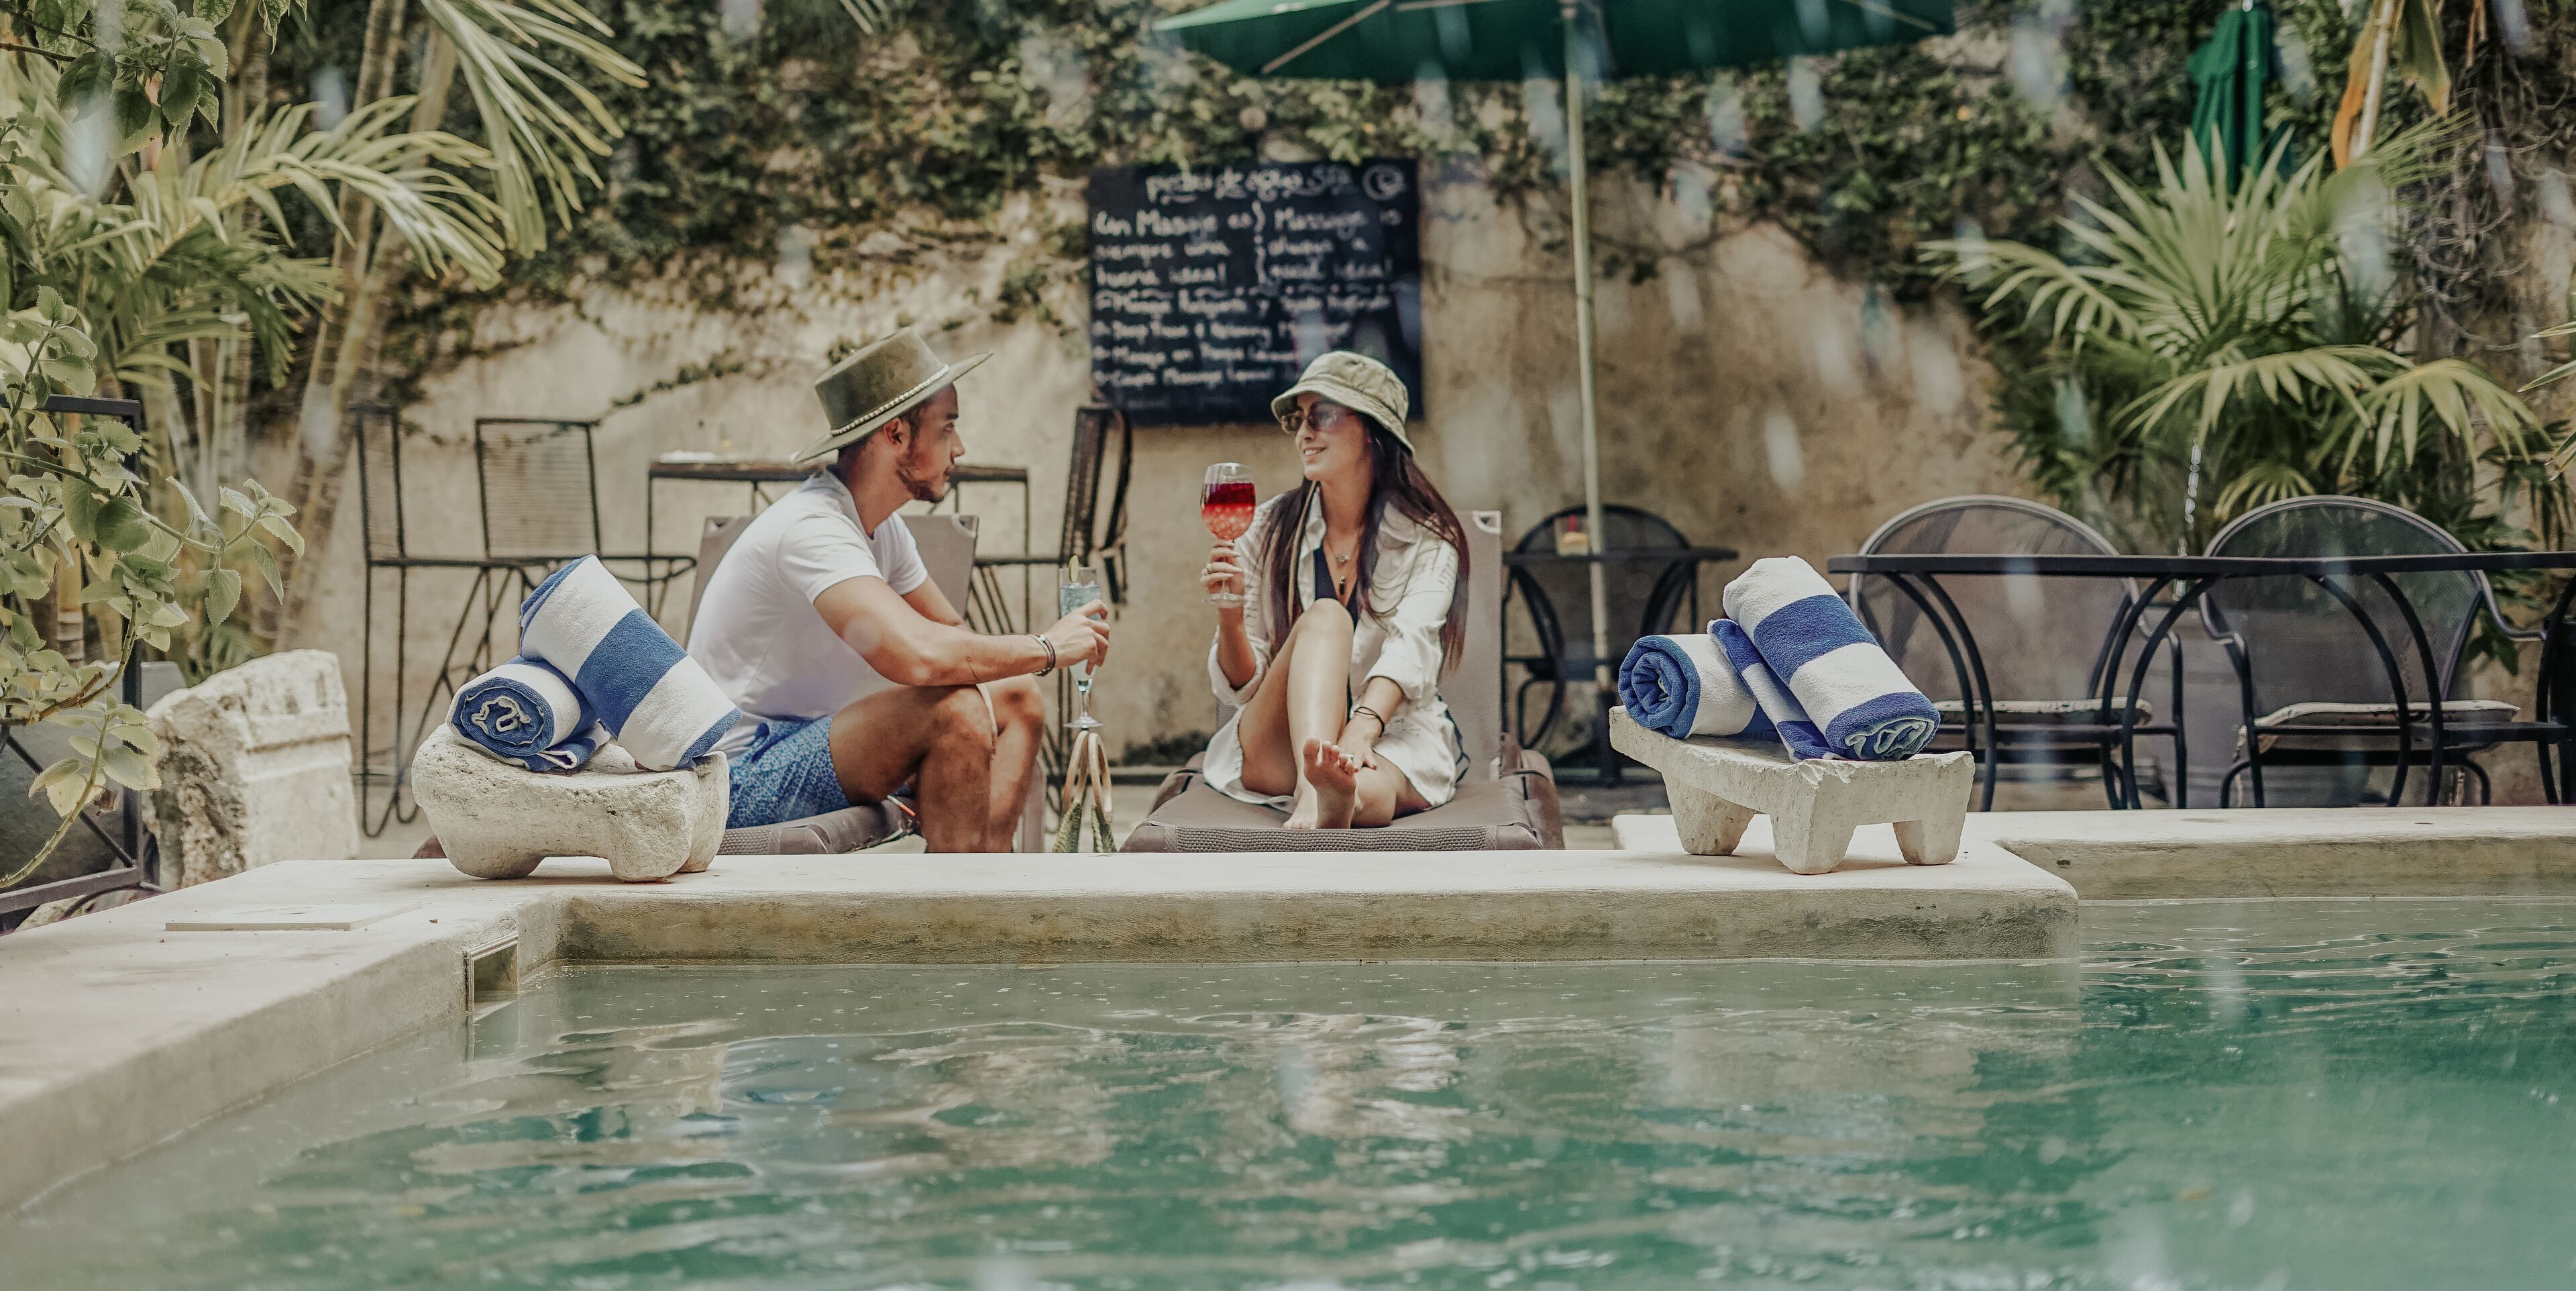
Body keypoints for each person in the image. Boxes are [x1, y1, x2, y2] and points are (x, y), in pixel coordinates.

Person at [688, 328, 1110, 850]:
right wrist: (1046, 648)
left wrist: (1022, 667)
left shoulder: (879, 526)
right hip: (738, 775)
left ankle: (991, 882)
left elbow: (951, 633)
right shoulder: (811, 527)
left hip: (804, 742)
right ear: (895, 435)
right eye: (947, 428)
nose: (960, 448)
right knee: (955, 710)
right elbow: (915, 657)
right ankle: (956, 913)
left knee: (1015, 695)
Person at [1199, 351, 1470, 829]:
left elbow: (1414, 645)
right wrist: (1229, 616)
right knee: (1326, 615)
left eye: (1321, 415)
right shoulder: (1265, 528)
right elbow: (1244, 688)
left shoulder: (1428, 541)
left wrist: (1361, 731)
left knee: (1371, 784)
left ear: (1372, 429)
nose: (1305, 433)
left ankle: (1334, 801)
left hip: (1384, 734)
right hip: (1281, 744)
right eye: (1298, 421)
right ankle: (1313, 790)